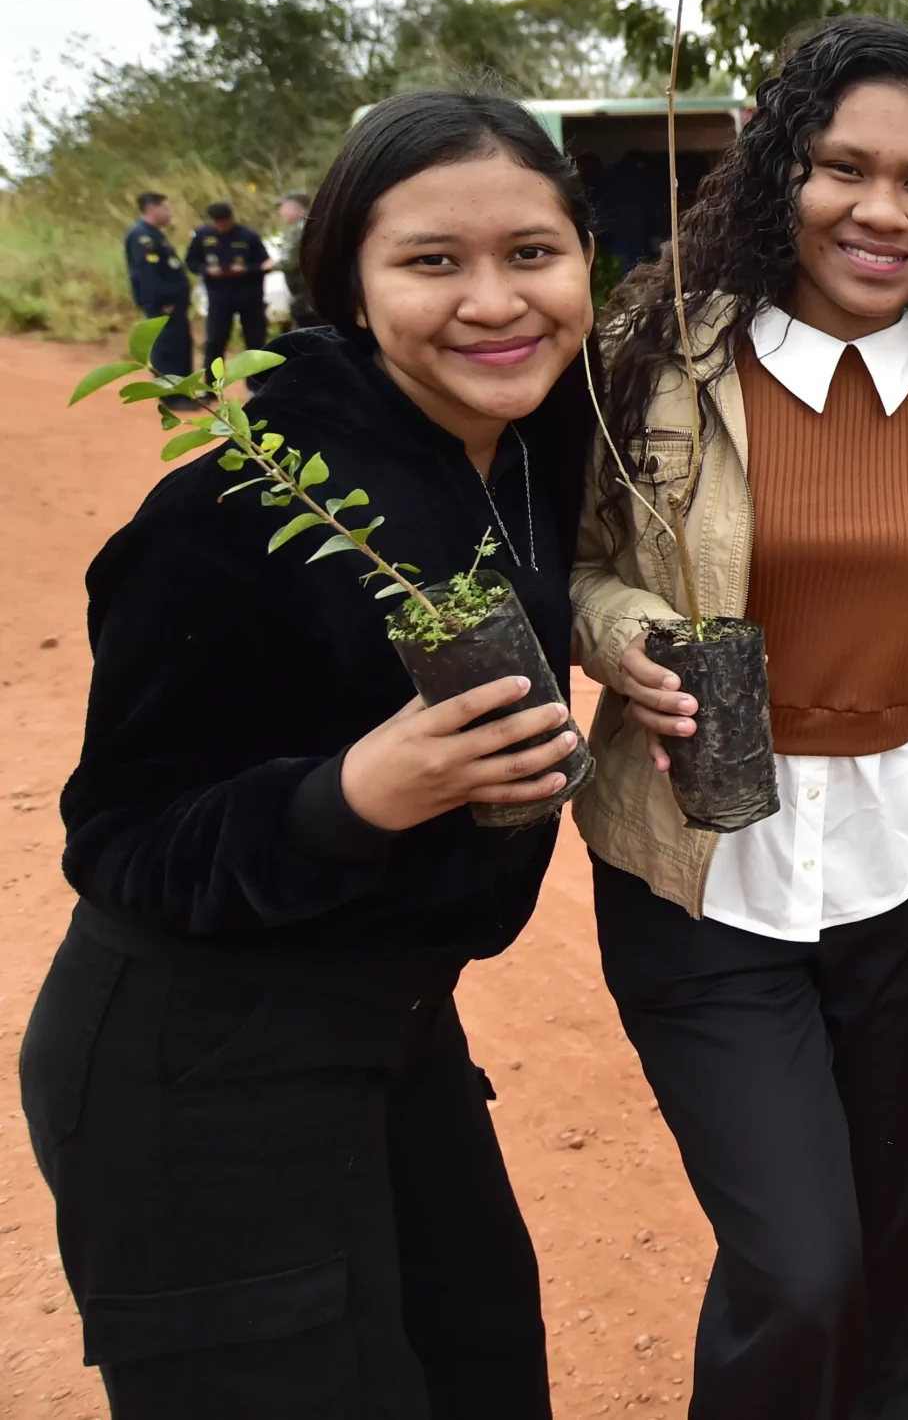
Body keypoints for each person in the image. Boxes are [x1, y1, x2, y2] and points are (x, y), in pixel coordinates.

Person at [18, 90, 600, 1415]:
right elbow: (120, 833)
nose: (496, 300)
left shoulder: (518, 447)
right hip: (200, 1056)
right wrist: (350, 793)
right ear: (345, 278)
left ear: (582, 262)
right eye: (432, 261)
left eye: (531, 252)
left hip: (393, 1026)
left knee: (483, 1367)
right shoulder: (241, 506)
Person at [571, 15, 908, 1420]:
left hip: (897, 856)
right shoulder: (662, 360)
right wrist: (623, 631)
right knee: (803, 1261)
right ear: (782, 172)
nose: (882, 210)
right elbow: (579, 562)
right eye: (844, 166)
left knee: (887, 1236)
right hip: (702, 865)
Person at [185, 200, 272, 360]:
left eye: (225, 222)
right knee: (215, 340)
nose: (222, 227)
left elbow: (266, 264)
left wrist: (245, 269)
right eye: (218, 223)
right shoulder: (202, 235)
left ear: (231, 218)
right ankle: (211, 383)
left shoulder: (248, 236)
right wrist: (207, 270)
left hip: (249, 294)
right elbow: (191, 262)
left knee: (255, 340)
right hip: (219, 296)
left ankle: (256, 383)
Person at [121, 191, 190, 376]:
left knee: (180, 346)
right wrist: (162, 300)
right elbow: (146, 273)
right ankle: (171, 395)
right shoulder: (142, 236)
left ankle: (183, 392)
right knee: (167, 348)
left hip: (174, 304)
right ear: (152, 209)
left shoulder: (155, 234)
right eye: (166, 208)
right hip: (163, 305)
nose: (170, 213)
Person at [270, 190, 317, 327]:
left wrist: (271, 265)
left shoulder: (300, 228)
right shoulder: (307, 224)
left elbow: (291, 261)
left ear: (295, 208)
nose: (281, 212)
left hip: (305, 291)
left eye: (283, 208)